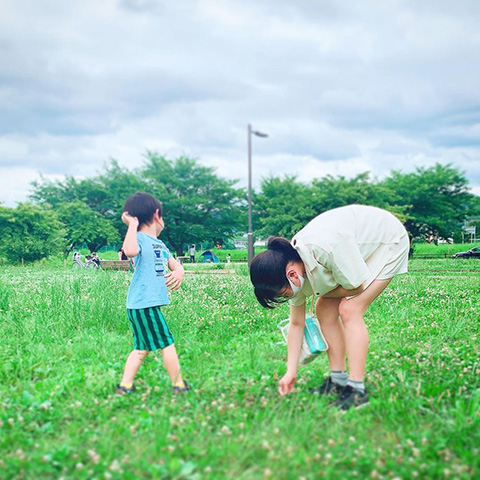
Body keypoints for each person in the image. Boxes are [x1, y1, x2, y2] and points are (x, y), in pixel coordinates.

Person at [249, 205, 409, 411]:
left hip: (387, 240)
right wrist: (291, 372)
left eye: (283, 293)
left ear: (291, 275)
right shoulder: (290, 268)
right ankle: (338, 381)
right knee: (324, 308)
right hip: (355, 248)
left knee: (350, 310)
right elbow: (296, 324)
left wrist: (322, 295)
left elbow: (356, 285)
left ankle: (357, 390)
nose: (286, 297)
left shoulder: (326, 246)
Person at [116, 192, 189, 395]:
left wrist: (180, 271)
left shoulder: (160, 244)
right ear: (157, 215)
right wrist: (132, 225)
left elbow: (173, 263)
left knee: (141, 348)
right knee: (167, 343)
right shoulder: (137, 239)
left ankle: (125, 385)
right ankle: (179, 386)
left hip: (143, 305)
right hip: (144, 304)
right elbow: (129, 251)